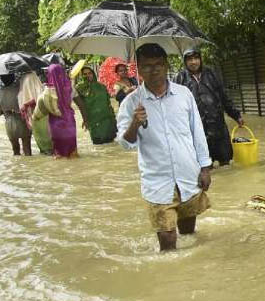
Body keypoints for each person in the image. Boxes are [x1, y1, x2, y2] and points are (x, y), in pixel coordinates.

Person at [116, 43, 212, 252]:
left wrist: (205, 167)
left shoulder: (183, 94)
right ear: (139, 69)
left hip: (188, 176)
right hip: (158, 181)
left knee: (188, 232)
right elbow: (125, 143)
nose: (154, 70)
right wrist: (135, 123)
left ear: (167, 65)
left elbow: (197, 132)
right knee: (168, 241)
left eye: (159, 64)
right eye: (147, 66)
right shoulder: (131, 103)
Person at [174, 48, 244, 167]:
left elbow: (224, 97)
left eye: (196, 58)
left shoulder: (211, 74)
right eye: (190, 59)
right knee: (205, 165)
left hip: (217, 125)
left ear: (200, 59)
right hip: (197, 130)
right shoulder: (180, 79)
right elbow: (174, 105)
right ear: (185, 62)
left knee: (225, 163)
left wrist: (236, 115)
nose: (193, 62)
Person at [33, 64, 86, 158]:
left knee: (58, 153)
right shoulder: (70, 88)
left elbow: (41, 109)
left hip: (55, 124)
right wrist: (85, 119)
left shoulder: (47, 91)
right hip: (69, 122)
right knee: (72, 151)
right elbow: (81, 105)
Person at [76, 67, 117, 144]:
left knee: (111, 144)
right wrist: (85, 119)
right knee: (98, 143)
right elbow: (80, 105)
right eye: (85, 74)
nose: (88, 75)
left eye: (90, 73)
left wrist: (113, 119)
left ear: (93, 74)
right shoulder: (80, 88)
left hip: (107, 119)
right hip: (93, 121)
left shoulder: (102, 86)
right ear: (81, 76)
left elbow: (108, 103)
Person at [17, 72, 51, 154]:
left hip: (39, 116)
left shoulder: (29, 78)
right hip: (35, 116)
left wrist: (26, 104)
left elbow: (38, 98)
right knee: (42, 143)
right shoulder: (29, 79)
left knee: (46, 144)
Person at [1, 74, 32, 156]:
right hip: (22, 121)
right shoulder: (19, 89)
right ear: (13, 78)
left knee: (15, 151)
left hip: (9, 124)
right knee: (27, 150)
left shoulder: (0, 92)